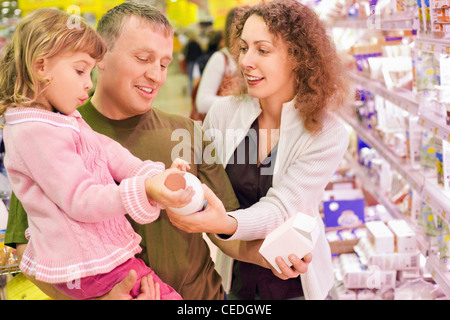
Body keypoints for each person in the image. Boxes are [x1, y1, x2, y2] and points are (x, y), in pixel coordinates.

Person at [4, 2, 309, 300]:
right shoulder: (52, 135)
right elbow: (28, 251)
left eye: (164, 63)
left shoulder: (187, 132)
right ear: (101, 56)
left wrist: (271, 258)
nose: (156, 75)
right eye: (143, 58)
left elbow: (222, 229)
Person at [0, 7, 196, 300]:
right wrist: (144, 188)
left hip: (104, 264)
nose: (88, 83)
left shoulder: (62, 119)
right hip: (91, 269)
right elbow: (81, 198)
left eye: (164, 63)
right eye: (80, 71)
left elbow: (107, 150)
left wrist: (151, 175)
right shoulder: (34, 132)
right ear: (40, 67)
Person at [166, 0, 353, 300]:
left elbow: (280, 208)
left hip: (296, 281)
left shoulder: (325, 132)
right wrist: (185, 183)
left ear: (298, 57)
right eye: (243, 48)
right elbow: (210, 191)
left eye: (262, 50)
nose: (245, 61)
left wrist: (224, 223)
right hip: (236, 278)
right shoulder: (224, 114)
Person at [194, 8, 240, 116]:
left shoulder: (252, 58)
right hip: (226, 126)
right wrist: (240, 102)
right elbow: (202, 102)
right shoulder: (221, 58)